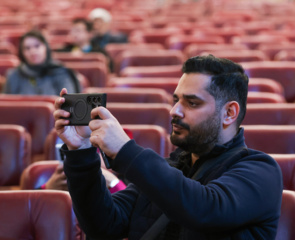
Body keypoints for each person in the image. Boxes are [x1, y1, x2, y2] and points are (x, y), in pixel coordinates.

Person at [54, 55, 283, 239]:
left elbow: (205, 209)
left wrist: (125, 150)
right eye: (176, 100)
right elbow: (104, 226)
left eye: (192, 103)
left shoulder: (261, 170)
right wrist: (81, 151)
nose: (175, 112)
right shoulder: (168, 168)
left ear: (229, 113)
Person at [3, 30, 80, 95]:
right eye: (27, 48)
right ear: (22, 53)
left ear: (45, 47)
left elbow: (69, 106)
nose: (33, 51)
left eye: (37, 46)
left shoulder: (61, 72)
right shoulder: (13, 75)